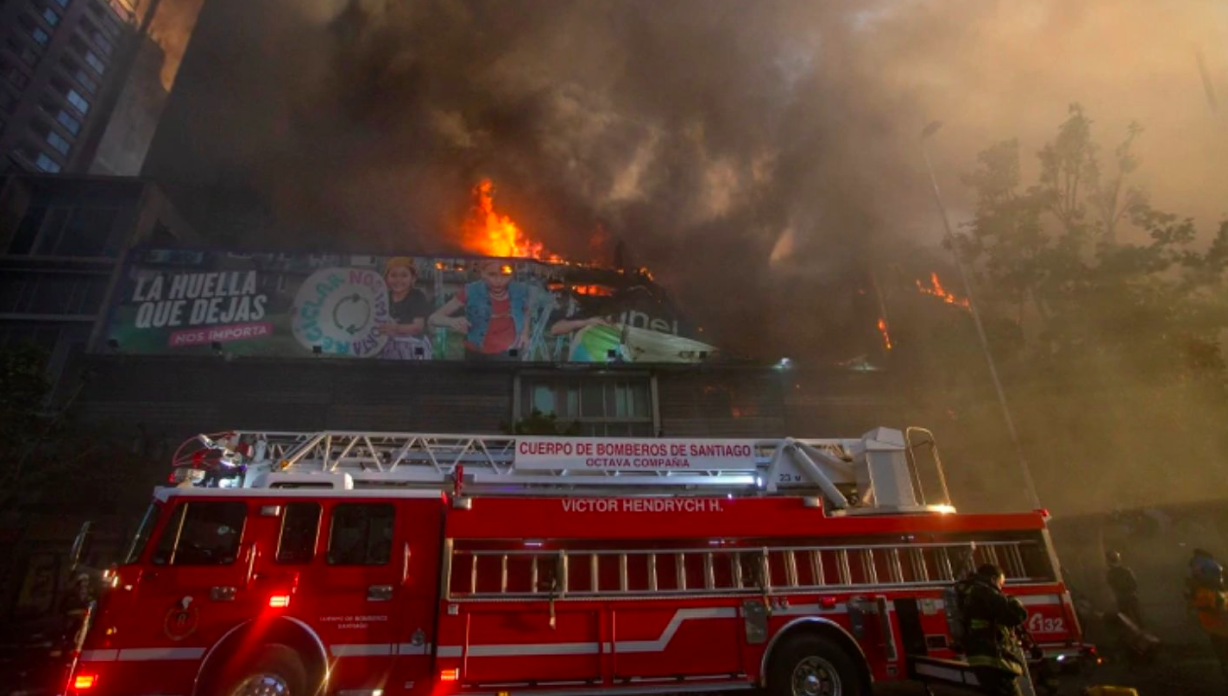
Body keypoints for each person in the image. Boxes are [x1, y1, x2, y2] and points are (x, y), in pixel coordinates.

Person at [429, 259, 533, 360]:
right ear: (483, 273)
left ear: (512, 275)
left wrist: (524, 333)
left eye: (505, 275)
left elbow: (526, 311)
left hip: (510, 353)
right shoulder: (471, 291)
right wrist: (452, 322)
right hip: (477, 355)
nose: (498, 280)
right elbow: (433, 319)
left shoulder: (521, 291)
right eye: (492, 274)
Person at [956, 563, 1029, 696]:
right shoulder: (985, 592)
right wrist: (1013, 601)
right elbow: (1015, 616)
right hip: (995, 659)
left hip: (979, 658)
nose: (1000, 589)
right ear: (993, 579)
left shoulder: (967, 592)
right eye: (1001, 584)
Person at [378, 257, 432, 360]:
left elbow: (417, 328)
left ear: (413, 279)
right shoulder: (384, 297)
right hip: (390, 346)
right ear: (386, 278)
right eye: (393, 275)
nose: (398, 280)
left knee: (418, 371)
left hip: (416, 346)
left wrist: (396, 328)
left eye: (404, 275)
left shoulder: (417, 296)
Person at [1187, 549, 1228, 683]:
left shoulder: (1199, 564)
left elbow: (1196, 577)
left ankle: (1224, 665)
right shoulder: (1214, 564)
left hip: (1214, 618)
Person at [1105, 551, 1143, 627]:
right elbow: (1134, 584)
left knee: (1127, 619)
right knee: (1137, 617)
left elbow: (1112, 586)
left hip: (1121, 598)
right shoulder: (1127, 571)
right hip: (1131, 596)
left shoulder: (1110, 574)